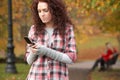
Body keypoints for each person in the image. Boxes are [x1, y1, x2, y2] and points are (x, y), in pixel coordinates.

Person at [25, 0, 77, 80]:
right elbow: (29, 61)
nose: (42, 14)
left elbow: (71, 59)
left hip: (58, 77)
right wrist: (33, 51)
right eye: (39, 11)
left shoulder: (67, 29)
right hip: (36, 76)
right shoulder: (34, 29)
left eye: (45, 10)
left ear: (54, 10)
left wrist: (46, 51)